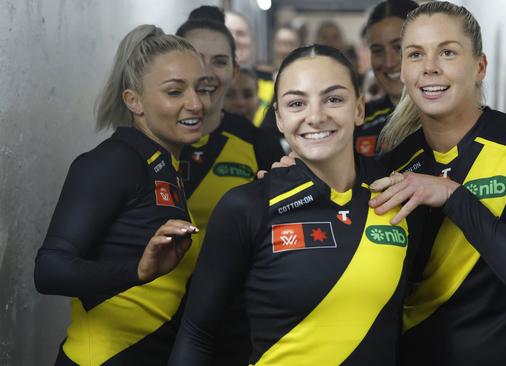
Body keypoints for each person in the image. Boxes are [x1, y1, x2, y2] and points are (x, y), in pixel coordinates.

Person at [168, 45, 424, 365]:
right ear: (278, 117)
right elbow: (196, 334)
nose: (315, 117)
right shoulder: (246, 207)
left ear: (358, 108)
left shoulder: (398, 195)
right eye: (297, 103)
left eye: (334, 99)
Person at [369, 2, 506, 365]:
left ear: (479, 66)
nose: (430, 67)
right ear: (403, 70)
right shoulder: (390, 168)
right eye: (416, 54)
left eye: (447, 52)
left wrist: (452, 195)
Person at [33, 25, 213, 365]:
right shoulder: (113, 162)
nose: (196, 103)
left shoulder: (163, 165)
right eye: (175, 92)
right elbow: (48, 269)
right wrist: (137, 270)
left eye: (200, 88)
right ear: (134, 101)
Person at [175, 18, 284, 365]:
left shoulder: (256, 141)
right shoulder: (149, 138)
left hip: (233, 325)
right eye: (195, 57)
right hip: (148, 323)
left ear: (236, 69)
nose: (205, 72)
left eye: (219, 61)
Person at [354, 0, 419, 158]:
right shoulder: (359, 120)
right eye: (377, 51)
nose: (388, 62)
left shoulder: (449, 116)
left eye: (398, 47)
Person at [226, 11, 274, 127]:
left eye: (241, 34)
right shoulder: (206, 86)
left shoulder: (275, 85)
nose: (234, 39)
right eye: (226, 33)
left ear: (252, 40)